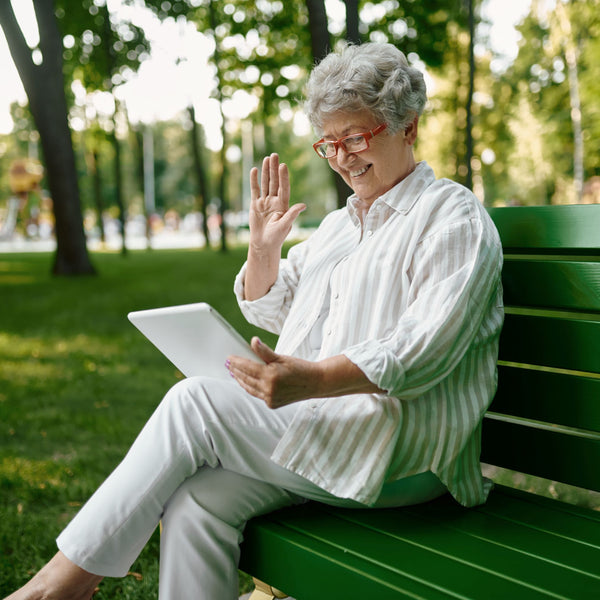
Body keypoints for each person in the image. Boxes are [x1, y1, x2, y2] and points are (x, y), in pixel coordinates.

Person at [5, 42, 503, 600]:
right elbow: (279, 307)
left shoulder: (452, 215)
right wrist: (264, 251)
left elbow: (426, 347)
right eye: (328, 144)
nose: (341, 158)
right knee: (197, 501)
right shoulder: (344, 226)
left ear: (407, 127)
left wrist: (312, 380)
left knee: (193, 403)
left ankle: (59, 586)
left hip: (406, 453)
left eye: (356, 137)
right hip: (328, 432)